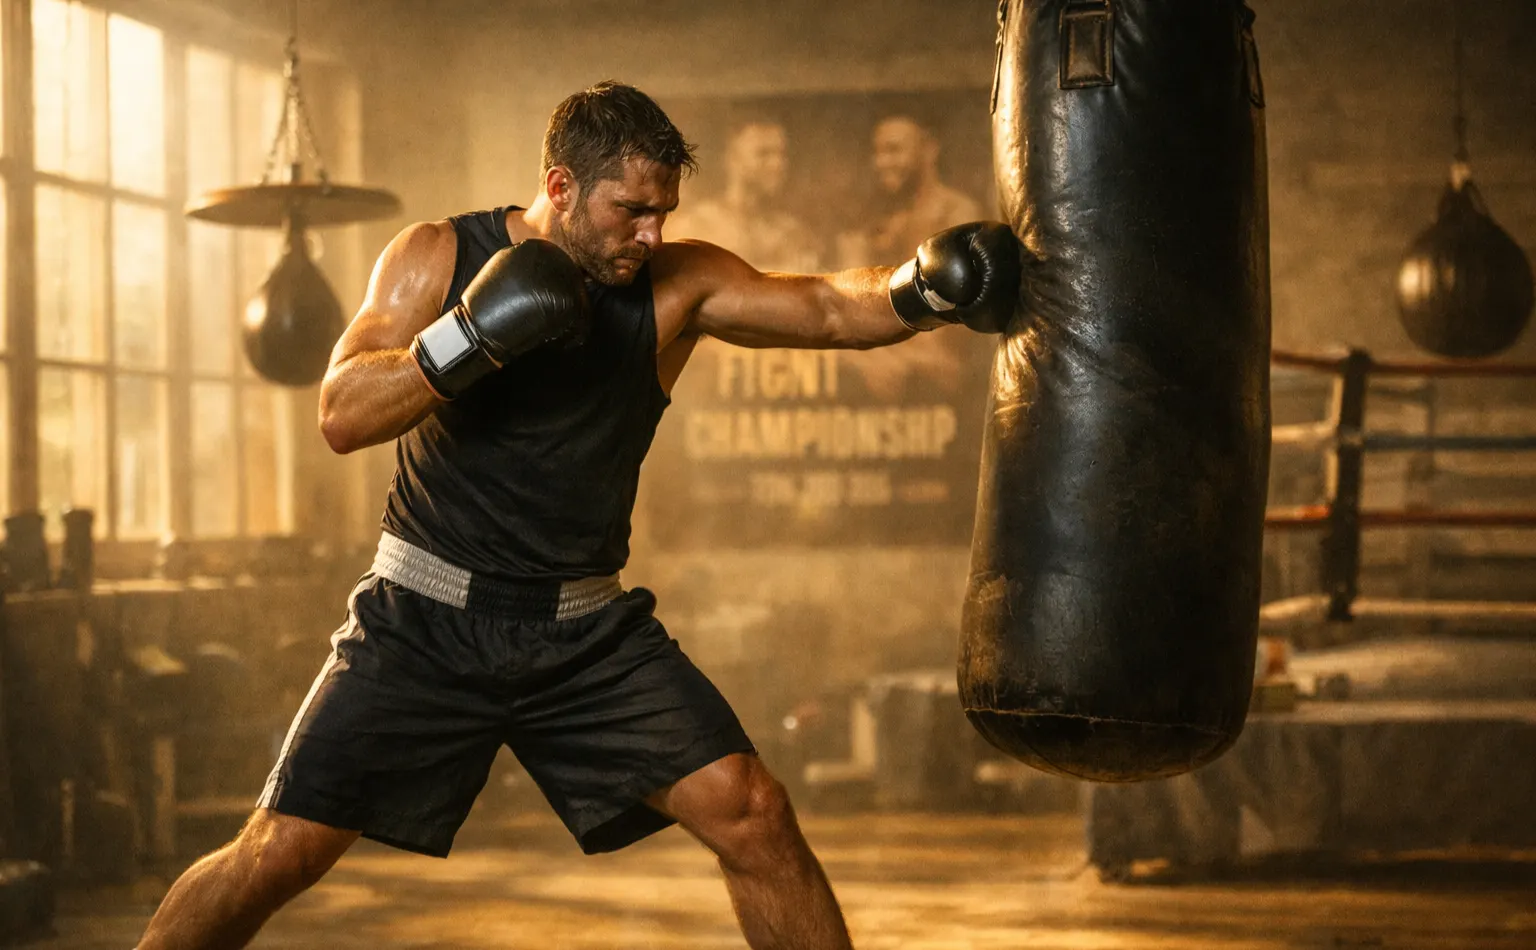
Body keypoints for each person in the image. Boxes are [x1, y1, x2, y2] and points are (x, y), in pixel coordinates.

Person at [135, 81, 1018, 950]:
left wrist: (919, 291)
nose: (652, 233)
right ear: (559, 185)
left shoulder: (679, 285)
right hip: (423, 622)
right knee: (282, 852)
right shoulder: (438, 255)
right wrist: (467, 337)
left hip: (585, 633)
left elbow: (826, 307)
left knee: (753, 813)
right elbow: (342, 412)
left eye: (664, 210)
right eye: (631, 209)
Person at [666, 120, 822, 273]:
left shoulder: (793, 233)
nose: (777, 164)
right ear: (732, 158)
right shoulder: (695, 225)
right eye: (763, 153)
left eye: (781, 154)